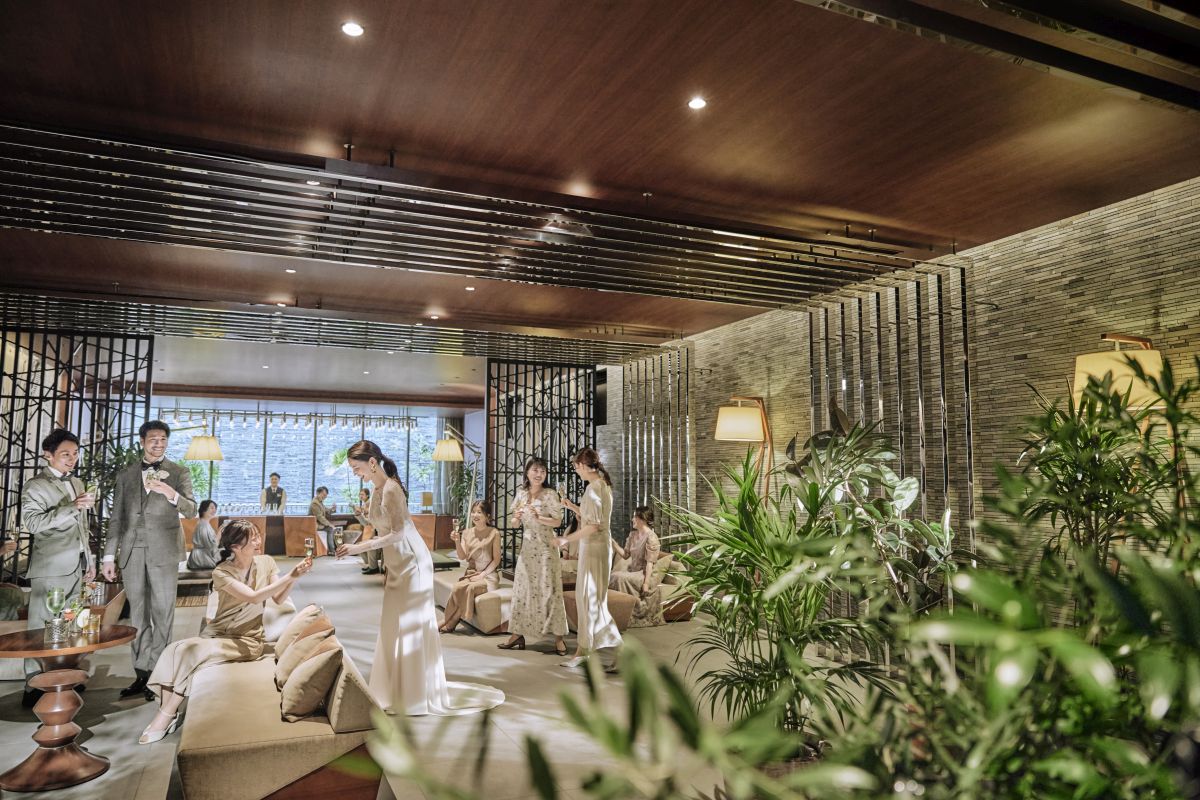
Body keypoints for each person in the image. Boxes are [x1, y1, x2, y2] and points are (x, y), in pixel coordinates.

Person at [335, 440, 503, 716]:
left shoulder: (392, 489)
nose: (354, 472)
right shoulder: (376, 489)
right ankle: (393, 691)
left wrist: (358, 548)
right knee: (393, 623)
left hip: (411, 561)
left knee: (410, 626)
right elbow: (382, 527)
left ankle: (414, 696)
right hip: (396, 561)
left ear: (372, 463)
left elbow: (398, 534)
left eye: (356, 467)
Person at [138, 519, 313, 743]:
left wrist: (296, 577)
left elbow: (278, 598)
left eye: (258, 536)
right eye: (252, 539)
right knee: (173, 649)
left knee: (190, 652)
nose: (258, 541)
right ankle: (167, 712)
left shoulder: (267, 562)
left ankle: (165, 715)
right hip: (218, 633)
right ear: (235, 547)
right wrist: (291, 575)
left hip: (247, 640)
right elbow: (253, 597)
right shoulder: (221, 572)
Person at [102, 420, 197, 702]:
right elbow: (116, 518)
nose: (159, 443)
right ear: (142, 441)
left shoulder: (179, 472)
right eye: (153, 438)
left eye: (163, 439)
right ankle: (141, 673)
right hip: (132, 552)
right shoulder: (126, 475)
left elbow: (191, 510)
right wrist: (109, 556)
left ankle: (159, 673)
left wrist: (171, 494)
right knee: (138, 614)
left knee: (163, 612)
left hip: (164, 550)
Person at [20, 429, 96, 707]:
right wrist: (72, 506)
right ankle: (33, 685)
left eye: (75, 454)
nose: (72, 459)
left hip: (76, 564)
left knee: (70, 624)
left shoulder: (77, 482)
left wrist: (89, 560)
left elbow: (82, 526)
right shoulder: (36, 485)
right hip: (51, 566)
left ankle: (63, 678)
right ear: (48, 455)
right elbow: (34, 524)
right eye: (66, 454)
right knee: (41, 626)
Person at [556, 447, 621, 671]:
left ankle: (617, 650)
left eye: (576, 467)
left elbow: (594, 526)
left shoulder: (593, 489)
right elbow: (595, 518)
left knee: (591, 602)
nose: (576, 471)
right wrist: (572, 506)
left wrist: (566, 540)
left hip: (593, 550)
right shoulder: (602, 485)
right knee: (588, 601)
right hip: (598, 549)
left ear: (583, 466)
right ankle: (583, 651)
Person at [498, 457, 568, 655]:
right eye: (535, 470)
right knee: (522, 590)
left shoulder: (550, 494)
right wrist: (516, 518)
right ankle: (516, 634)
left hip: (546, 549)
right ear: (527, 472)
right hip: (527, 549)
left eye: (543, 471)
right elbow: (514, 523)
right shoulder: (521, 494)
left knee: (551, 591)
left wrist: (539, 517)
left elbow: (557, 522)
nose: (539, 474)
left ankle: (559, 638)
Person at [439, 500, 500, 633]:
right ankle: (448, 620)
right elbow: (462, 557)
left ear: (487, 516)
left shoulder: (494, 533)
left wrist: (482, 575)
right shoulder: (466, 533)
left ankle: (449, 622)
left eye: (479, 512)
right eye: (473, 512)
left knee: (470, 589)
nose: (475, 515)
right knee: (457, 587)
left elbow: (497, 560)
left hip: (488, 576)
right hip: (471, 573)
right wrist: (457, 541)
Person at [610, 506, 665, 627]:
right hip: (634, 572)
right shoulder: (633, 535)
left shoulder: (651, 537)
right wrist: (613, 543)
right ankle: (616, 614)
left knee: (618, 577)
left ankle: (624, 614)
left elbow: (650, 563)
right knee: (614, 576)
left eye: (635, 516)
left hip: (645, 574)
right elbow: (625, 555)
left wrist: (646, 583)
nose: (632, 519)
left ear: (642, 519)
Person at [353, 487, 382, 575]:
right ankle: (371, 565)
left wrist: (361, 514)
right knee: (361, 546)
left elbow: (370, 521)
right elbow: (367, 522)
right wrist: (359, 514)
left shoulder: (371, 504)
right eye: (359, 494)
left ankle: (373, 566)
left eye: (362, 494)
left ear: (368, 495)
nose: (360, 496)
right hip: (369, 529)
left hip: (375, 530)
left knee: (367, 546)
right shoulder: (365, 504)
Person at [186, 500, 220, 570]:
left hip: (202, 555)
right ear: (204, 509)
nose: (214, 510)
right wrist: (220, 533)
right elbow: (210, 546)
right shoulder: (203, 525)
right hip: (201, 558)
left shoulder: (204, 523)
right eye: (212, 508)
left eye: (215, 508)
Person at [309, 486, 337, 552]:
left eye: (326, 495)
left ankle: (331, 549)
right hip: (314, 525)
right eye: (323, 495)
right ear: (318, 493)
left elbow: (326, 511)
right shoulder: (315, 503)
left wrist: (333, 509)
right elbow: (320, 517)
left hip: (319, 524)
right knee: (330, 529)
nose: (325, 497)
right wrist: (330, 524)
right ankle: (331, 550)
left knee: (331, 528)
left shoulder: (320, 502)